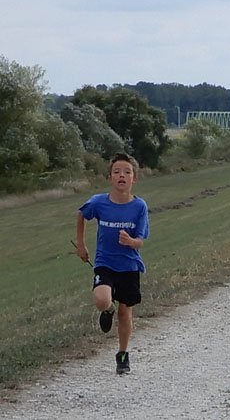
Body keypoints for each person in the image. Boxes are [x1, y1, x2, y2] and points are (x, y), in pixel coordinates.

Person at [75, 153, 151, 375]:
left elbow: (141, 241)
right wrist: (81, 244)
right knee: (101, 299)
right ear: (110, 177)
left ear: (134, 179)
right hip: (104, 263)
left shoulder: (139, 207)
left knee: (125, 312)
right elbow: (81, 214)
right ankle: (107, 309)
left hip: (128, 265)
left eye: (127, 172)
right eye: (117, 171)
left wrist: (131, 241)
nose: (122, 175)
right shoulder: (99, 202)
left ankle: (123, 354)